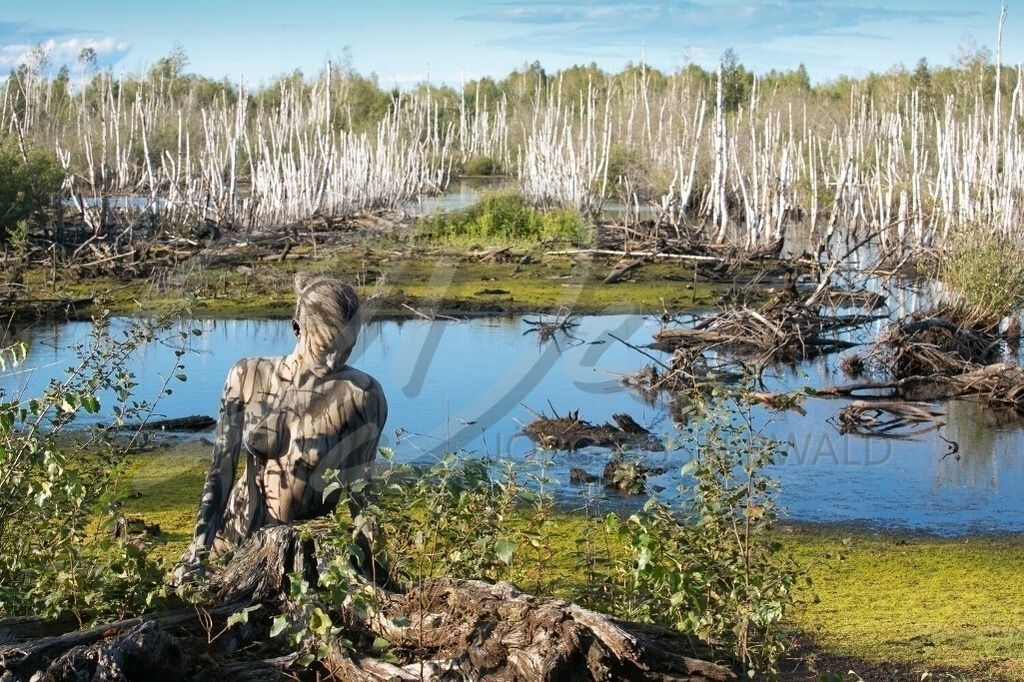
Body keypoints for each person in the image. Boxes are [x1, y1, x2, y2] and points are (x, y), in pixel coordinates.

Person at [176, 273, 388, 581]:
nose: (333, 361)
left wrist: (375, 571)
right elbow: (220, 471)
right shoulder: (247, 375)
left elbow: (362, 495)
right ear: (297, 328)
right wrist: (198, 551)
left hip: (298, 557)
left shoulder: (362, 396)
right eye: (326, 346)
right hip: (230, 540)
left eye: (347, 347)